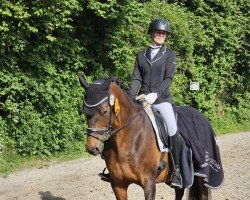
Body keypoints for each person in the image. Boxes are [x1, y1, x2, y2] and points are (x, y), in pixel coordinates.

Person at [130, 18, 183, 189]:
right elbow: (136, 77)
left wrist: (156, 93)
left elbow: (169, 77)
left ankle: (176, 170)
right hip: (143, 99)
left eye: (164, 33)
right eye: (158, 32)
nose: (161, 35)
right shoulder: (141, 55)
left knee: (172, 128)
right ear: (151, 33)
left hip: (161, 100)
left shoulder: (169, 54)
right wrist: (131, 96)